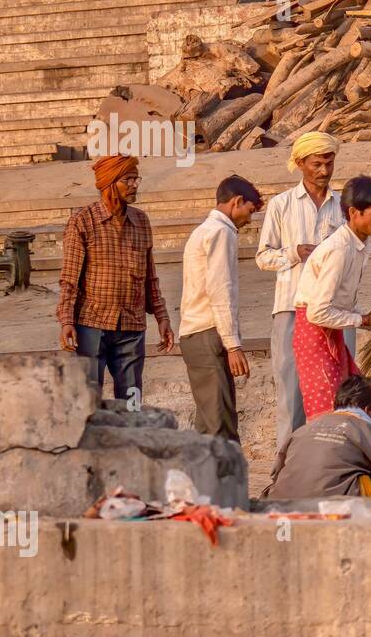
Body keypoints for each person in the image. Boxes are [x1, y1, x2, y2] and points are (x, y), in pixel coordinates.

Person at [256, 131, 356, 453]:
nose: (324, 171)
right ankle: (285, 471)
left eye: (329, 163)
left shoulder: (344, 207)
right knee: (291, 395)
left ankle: (333, 461)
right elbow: (263, 257)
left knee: (342, 390)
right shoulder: (281, 205)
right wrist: (294, 253)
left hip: (336, 310)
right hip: (289, 308)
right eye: (317, 164)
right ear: (300, 164)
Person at [57, 154, 173, 401]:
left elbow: (150, 276)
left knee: (132, 400)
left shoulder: (141, 221)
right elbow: (70, 278)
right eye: (127, 180)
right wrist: (67, 320)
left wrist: (162, 317)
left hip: (132, 327)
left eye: (135, 179)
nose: (134, 185)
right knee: (88, 401)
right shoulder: (82, 222)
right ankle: (91, 440)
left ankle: (131, 440)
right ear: (110, 184)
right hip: (92, 325)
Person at [291, 175, 371, 420]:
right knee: (329, 413)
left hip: (331, 335)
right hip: (316, 337)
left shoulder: (360, 245)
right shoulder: (339, 249)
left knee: (352, 404)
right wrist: (366, 319)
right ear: (354, 213)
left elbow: (339, 301)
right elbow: (317, 312)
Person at [178, 175, 263, 442]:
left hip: (196, 334)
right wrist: (233, 345)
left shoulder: (205, 230)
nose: (249, 220)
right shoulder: (221, 232)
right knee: (219, 428)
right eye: (249, 211)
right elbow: (220, 289)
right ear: (237, 202)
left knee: (210, 425)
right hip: (207, 333)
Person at [263, 374, 371, 499]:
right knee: (369, 478)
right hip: (333, 512)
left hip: (280, 506)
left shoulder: (305, 429)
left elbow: (276, 473)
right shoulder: (368, 431)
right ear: (366, 410)